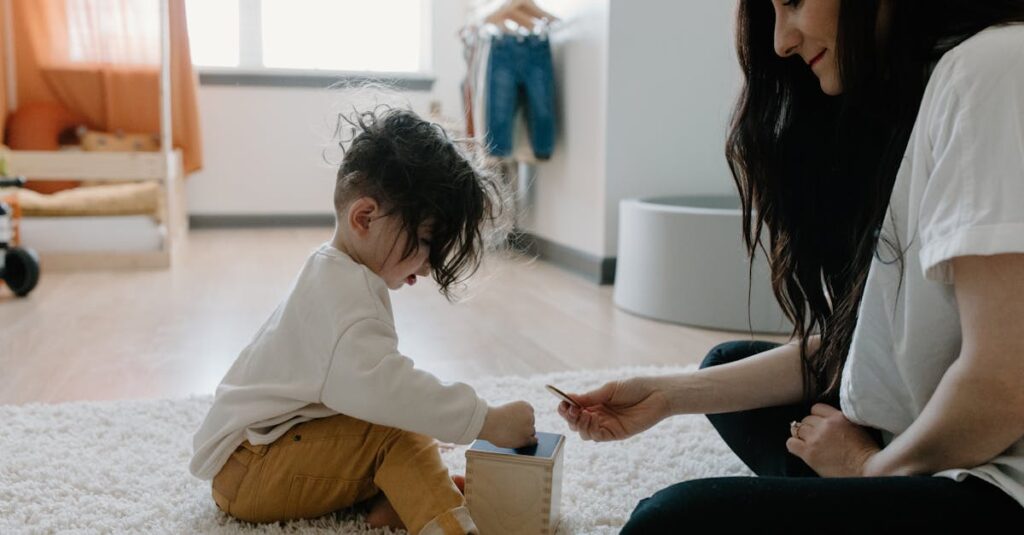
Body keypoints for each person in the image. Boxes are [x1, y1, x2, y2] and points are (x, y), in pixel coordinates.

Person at [559, 0, 1024, 531]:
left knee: (670, 522)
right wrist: (664, 396)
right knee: (724, 363)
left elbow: (1004, 384)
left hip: (998, 484)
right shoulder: (934, 83)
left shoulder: (994, 67)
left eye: (795, 2)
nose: (780, 41)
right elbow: (872, 340)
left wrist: (866, 469)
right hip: (942, 443)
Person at [189, 108, 536, 535]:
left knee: (397, 424)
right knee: (398, 432)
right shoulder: (347, 300)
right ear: (364, 218)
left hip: (250, 461)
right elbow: (390, 390)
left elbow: (357, 393)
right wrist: (487, 421)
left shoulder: (331, 269)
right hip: (255, 471)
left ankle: (395, 503)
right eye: (426, 242)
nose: (428, 268)